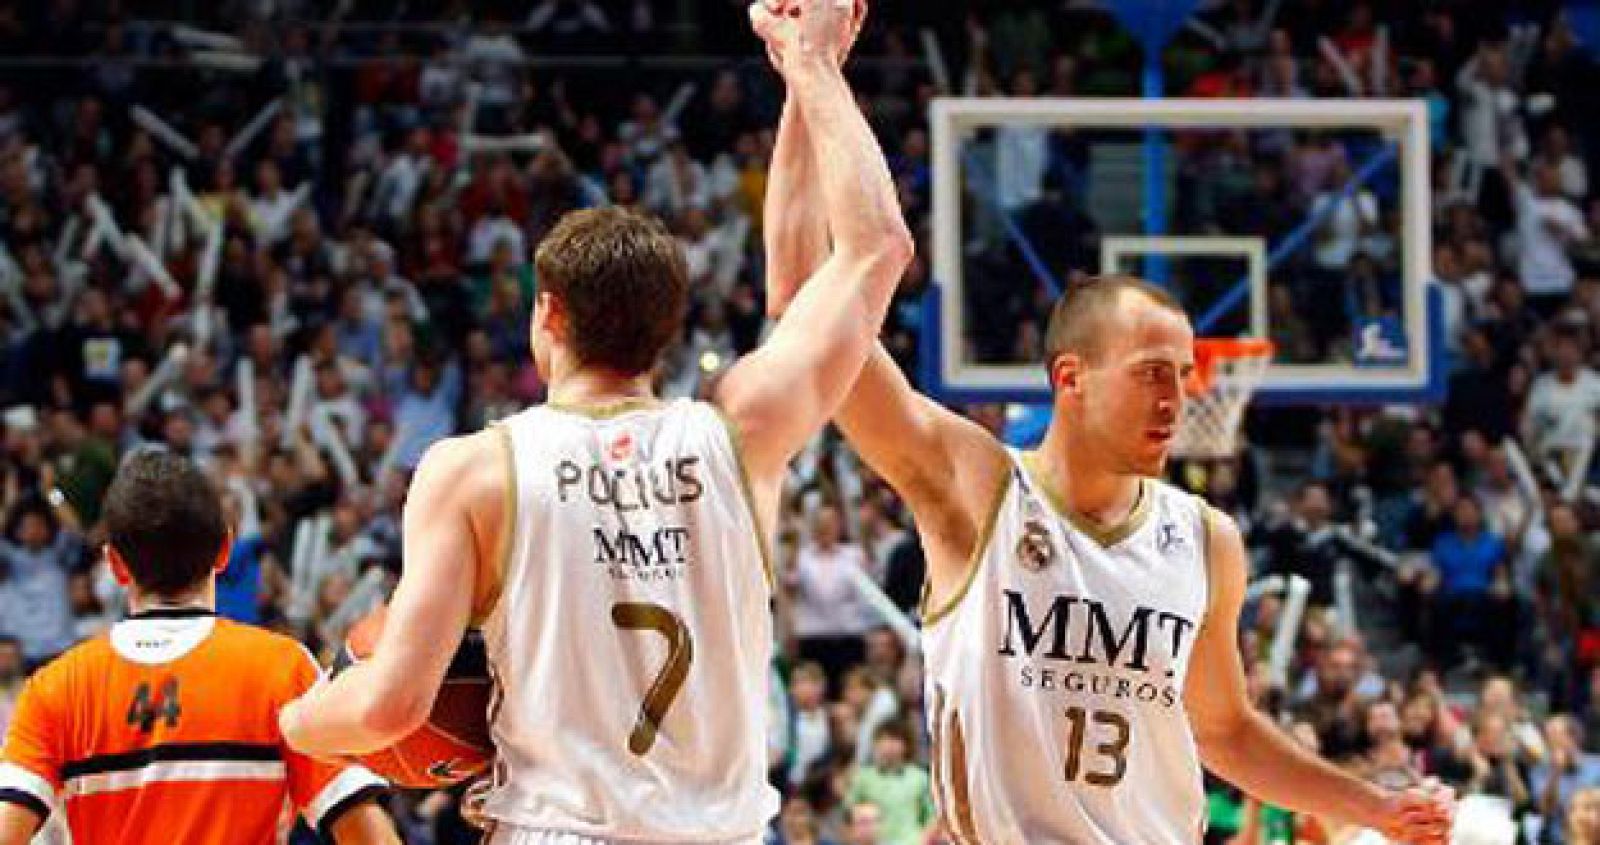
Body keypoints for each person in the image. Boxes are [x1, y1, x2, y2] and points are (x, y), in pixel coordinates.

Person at [760, 37, 1453, 845]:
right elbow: (805, 306)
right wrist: (807, 70)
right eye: (1152, 371)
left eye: (1184, 373)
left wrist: (1374, 807)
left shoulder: (1205, 539)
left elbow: (1226, 730)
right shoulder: (975, 486)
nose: (1177, 395)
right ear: (1070, 377)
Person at [279, 0, 911, 842]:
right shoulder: (738, 433)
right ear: (667, 324)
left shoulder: (472, 468)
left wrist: (292, 717)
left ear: (548, 315)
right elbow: (874, 246)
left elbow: (392, 703)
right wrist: (812, 66)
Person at [0, 449, 397, 844]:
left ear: (116, 565)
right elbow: (366, 834)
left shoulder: (56, 687)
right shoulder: (282, 670)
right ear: (223, 550)